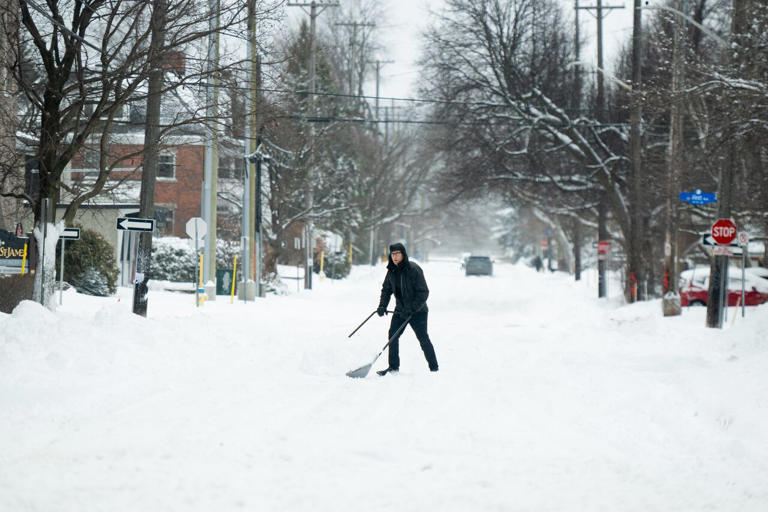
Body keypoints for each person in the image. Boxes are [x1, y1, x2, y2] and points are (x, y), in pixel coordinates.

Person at [375, 242, 439, 375]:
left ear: (403, 254)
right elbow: (386, 290)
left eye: (398, 253)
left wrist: (411, 308)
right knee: (392, 336)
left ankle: (434, 368)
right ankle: (393, 367)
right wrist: (382, 306)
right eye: (393, 254)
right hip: (400, 310)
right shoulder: (391, 271)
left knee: (423, 338)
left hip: (418, 311)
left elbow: (423, 292)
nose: (395, 256)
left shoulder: (414, 269)